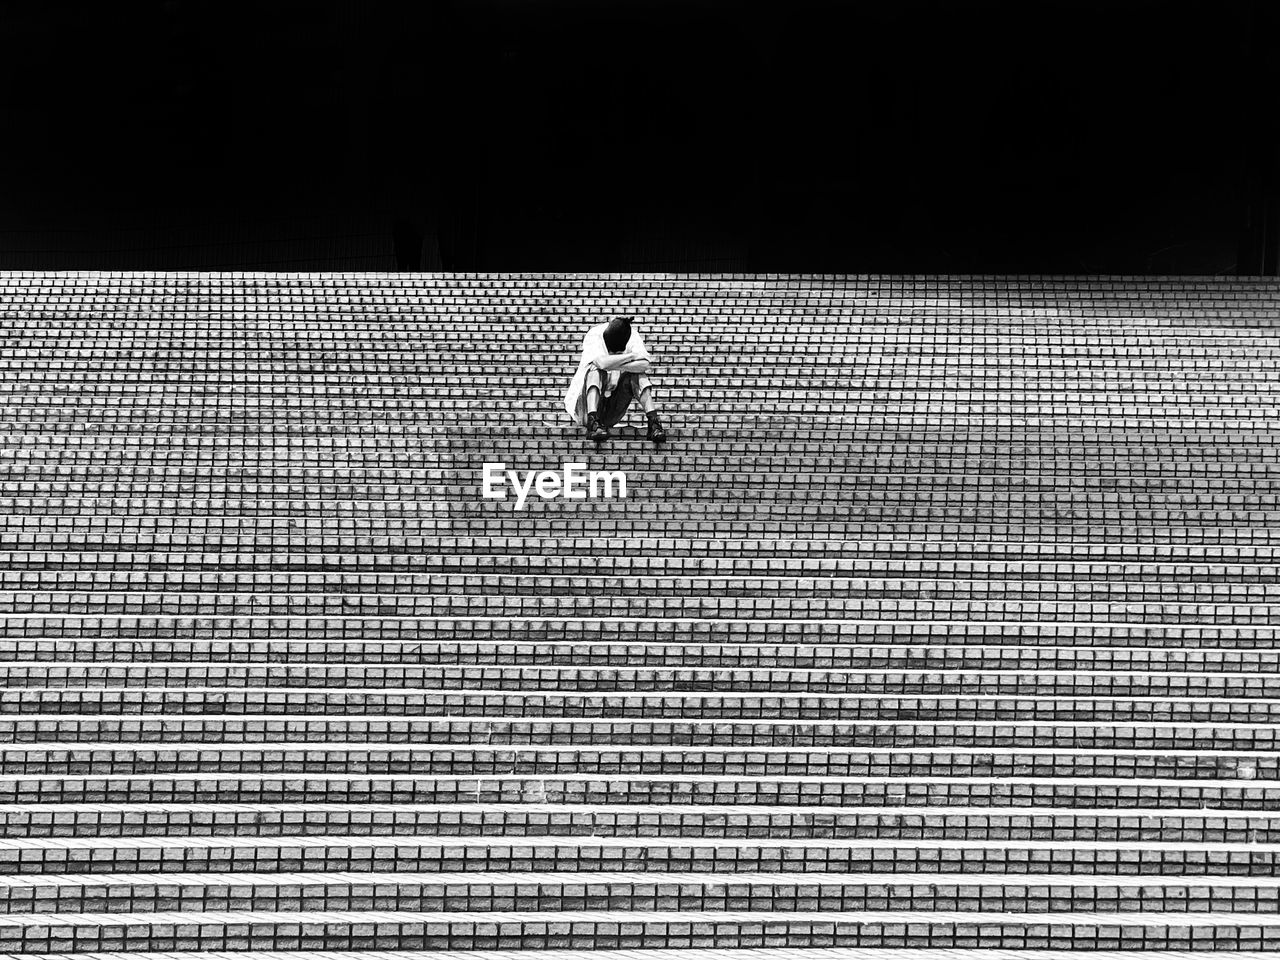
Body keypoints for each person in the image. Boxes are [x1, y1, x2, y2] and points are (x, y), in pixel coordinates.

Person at [563, 316, 666, 442]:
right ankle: (593, 423)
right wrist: (632, 356)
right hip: (583, 410)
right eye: (611, 352)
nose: (614, 354)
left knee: (637, 374)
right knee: (595, 370)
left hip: (611, 412)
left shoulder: (632, 336)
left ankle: (654, 423)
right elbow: (601, 363)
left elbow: (645, 364)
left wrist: (612, 363)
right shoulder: (594, 335)